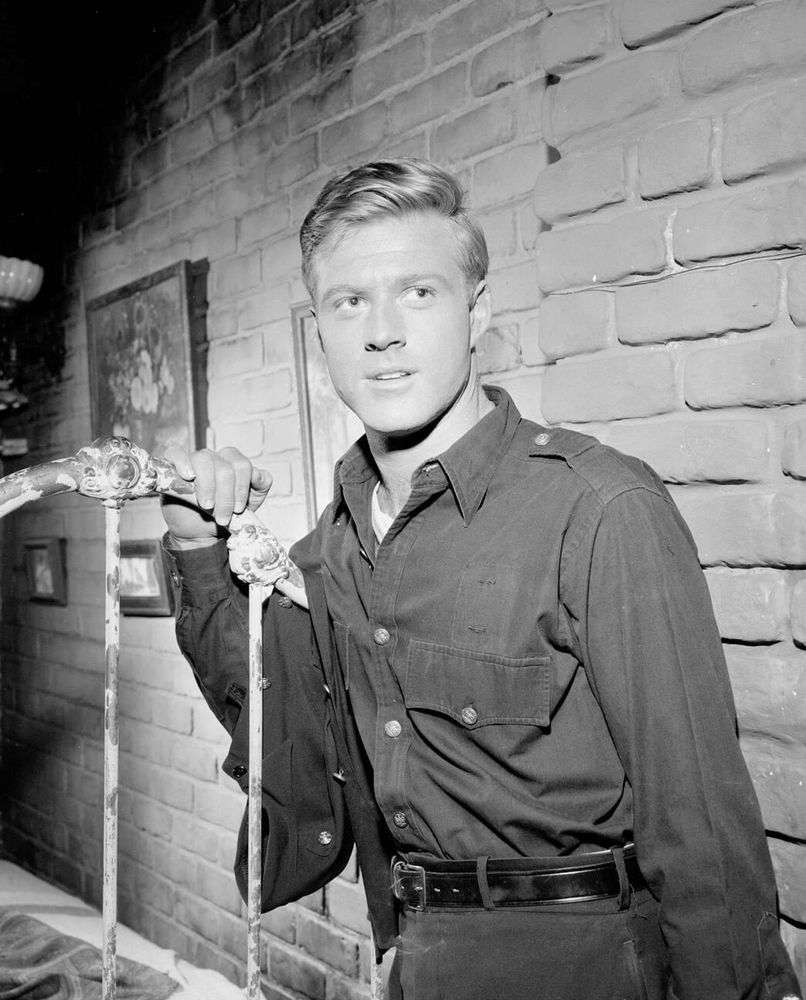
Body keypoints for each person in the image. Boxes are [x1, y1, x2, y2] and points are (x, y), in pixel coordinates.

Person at [160, 158, 802, 1000]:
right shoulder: (332, 549)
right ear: (321, 335)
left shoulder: (600, 507)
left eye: (419, 293)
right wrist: (192, 540)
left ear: (477, 314)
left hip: (591, 966)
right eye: (350, 302)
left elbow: (701, 829)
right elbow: (273, 723)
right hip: (418, 959)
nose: (382, 332)